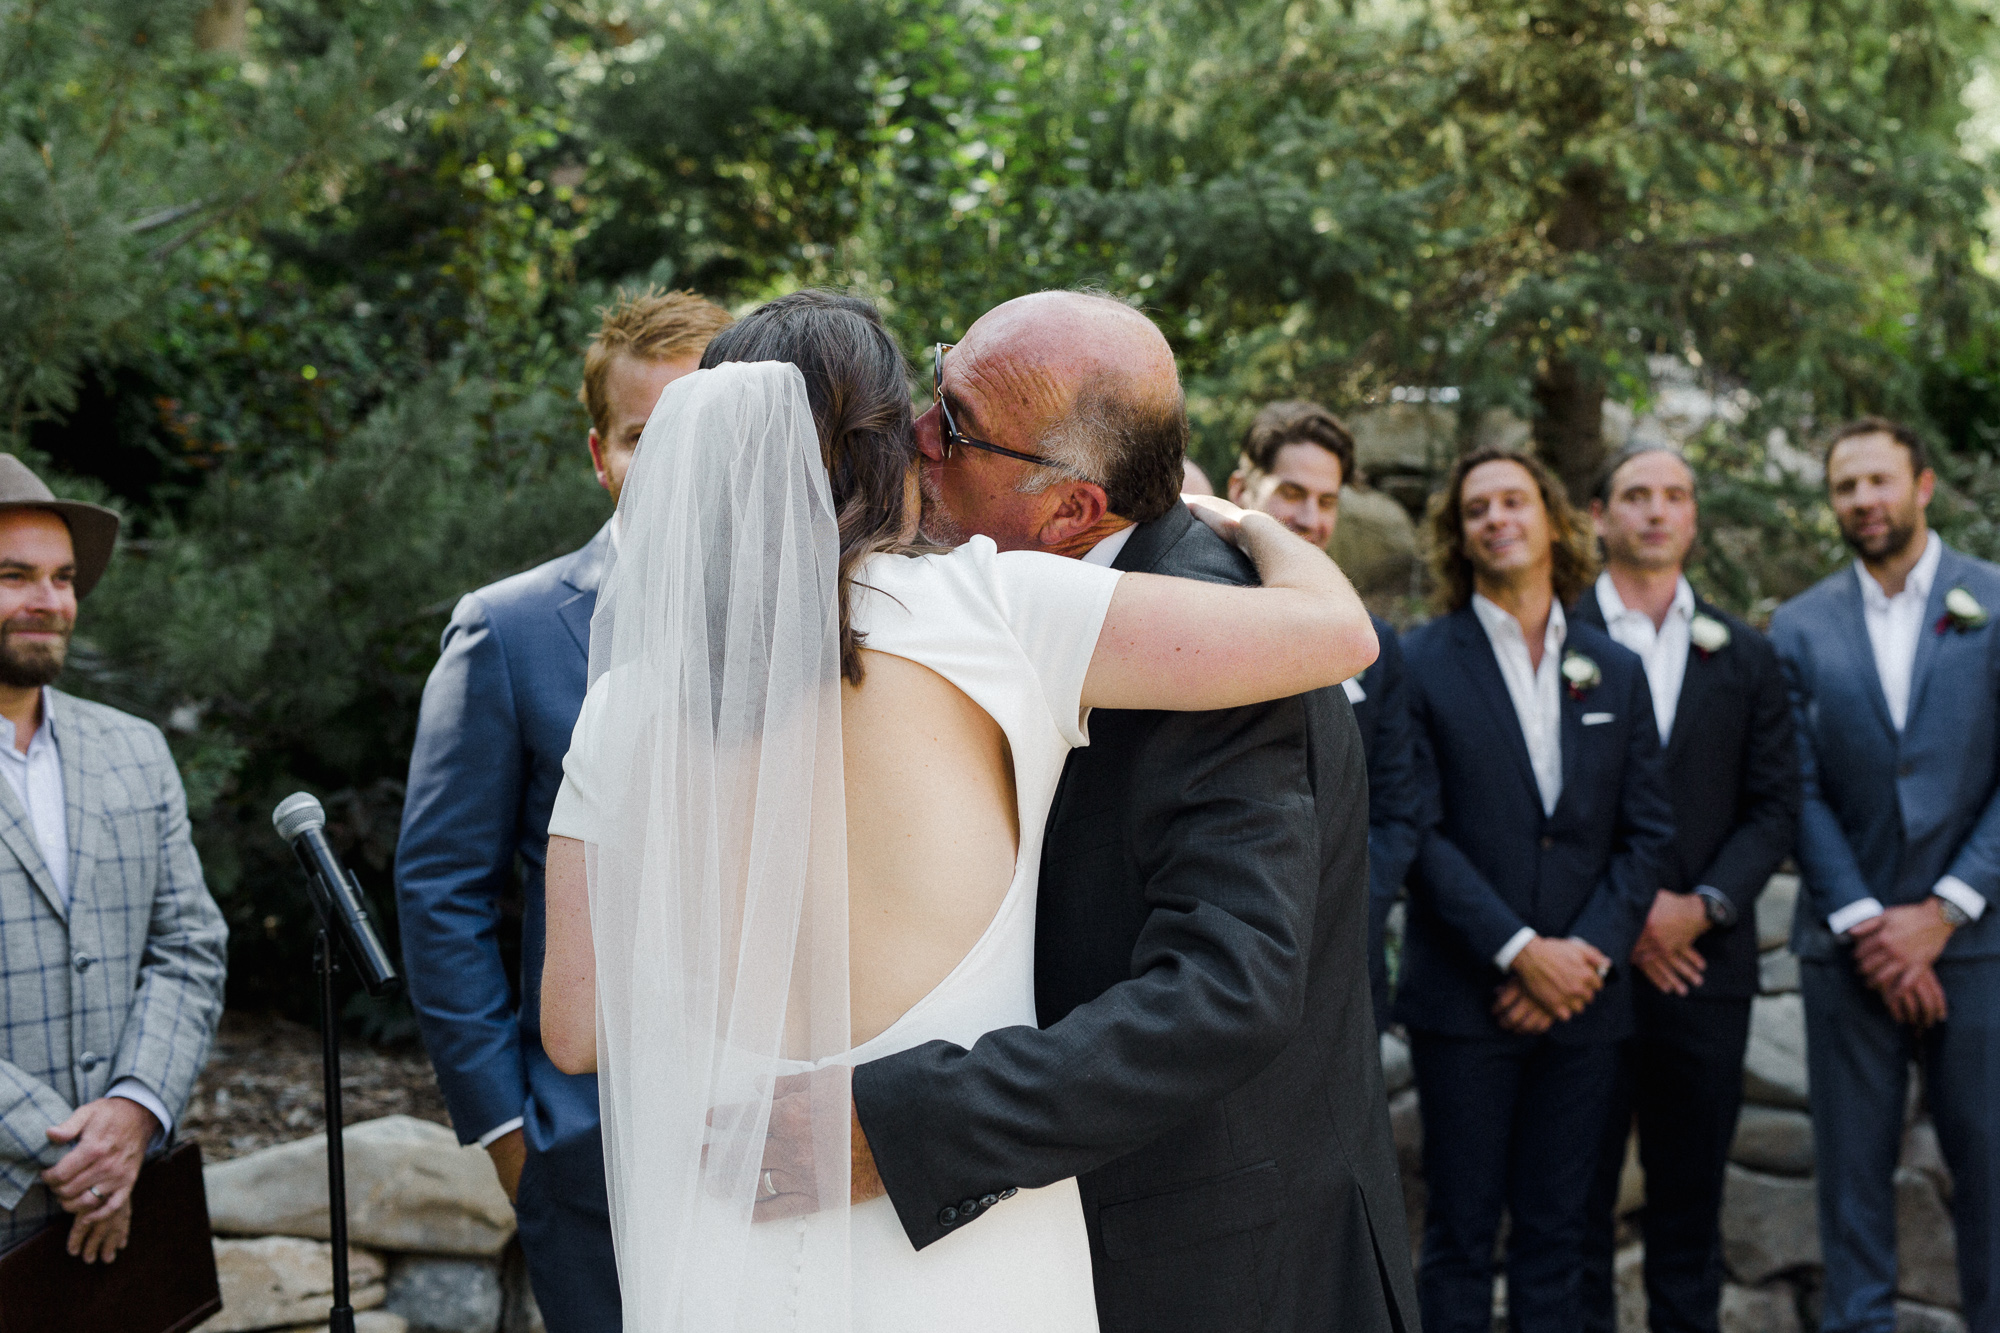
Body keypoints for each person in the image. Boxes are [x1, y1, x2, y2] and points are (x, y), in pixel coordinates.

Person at [536, 290, 1382, 1331]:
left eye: (956, 424)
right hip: (972, 1259)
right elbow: (1339, 630)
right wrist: (1259, 523)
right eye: (924, 404)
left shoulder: (625, 698)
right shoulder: (992, 608)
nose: (930, 441)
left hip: (752, 1223)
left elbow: (574, 1026)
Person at [839, 293, 1415, 1332]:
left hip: (1218, 1267)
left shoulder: (1224, 643)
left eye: (955, 427)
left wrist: (906, 1124)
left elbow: (1225, 989)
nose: (916, 436)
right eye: (938, 384)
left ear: (1070, 510)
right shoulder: (1022, 597)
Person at [395, 288, 732, 1329]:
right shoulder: (509, 631)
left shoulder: (828, 627)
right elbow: (441, 890)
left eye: (698, 432)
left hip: (784, 1140)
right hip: (585, 1147)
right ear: (601, 455)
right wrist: (509, 1128)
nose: (671, 464)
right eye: (643, 436)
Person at [1397, 448, 1674, 1333]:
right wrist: (1521, 954)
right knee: (1460, 1235)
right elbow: (1419, 829)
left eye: (1514, 499)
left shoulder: (1614, 670)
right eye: (1477, 507)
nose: (1496, 518)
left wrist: (1579, 960)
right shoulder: (1420, 659)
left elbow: (1647, 834)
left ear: (1553, 518)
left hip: (1586, 1008)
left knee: (1561, 1235)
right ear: (1460, 534)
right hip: (1464, 999)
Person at [1770, 417, 2000, 1333]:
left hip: (1979, 945)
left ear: (1924, 483)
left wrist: (1943, 910)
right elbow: (1793, 781)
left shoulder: (1993, 599)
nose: (1863, 500)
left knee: (1992, 1179)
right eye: (1844, 487)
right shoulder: (1797, 623)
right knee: (1852, 1193)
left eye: (1878, 481)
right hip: (1848, 952)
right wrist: (1868, 919)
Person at [1571, 446, 1799, 1333]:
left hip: (1705, 974)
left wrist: (1698, 911)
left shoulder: (1745, 654)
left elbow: (1774, 806)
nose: (1655, 511)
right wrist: (1625, 920)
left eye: (1674, 496)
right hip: (1590, 967)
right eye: (1635, 495)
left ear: (1694, 518)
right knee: (1573, 1205)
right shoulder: (1555, 636)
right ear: (1599, 515)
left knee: (1688, 1211)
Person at [0, 456, 227, 1262]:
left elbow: (189, 946)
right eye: (14, 575)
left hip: (114, 1227)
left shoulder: (136, 750)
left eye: (62, 578)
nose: (49, 602)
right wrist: (64, 1148)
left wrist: (133, 1111)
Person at [1229, 399, 1421, 1031]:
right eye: (1292, 492)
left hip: (1342, 955)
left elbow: (1395, 806)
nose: (1310, 519)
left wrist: (1344, 906)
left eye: (1328, 500)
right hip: (1222, 961)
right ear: (1241, 488)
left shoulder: (1375, 645)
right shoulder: (1191, 612)